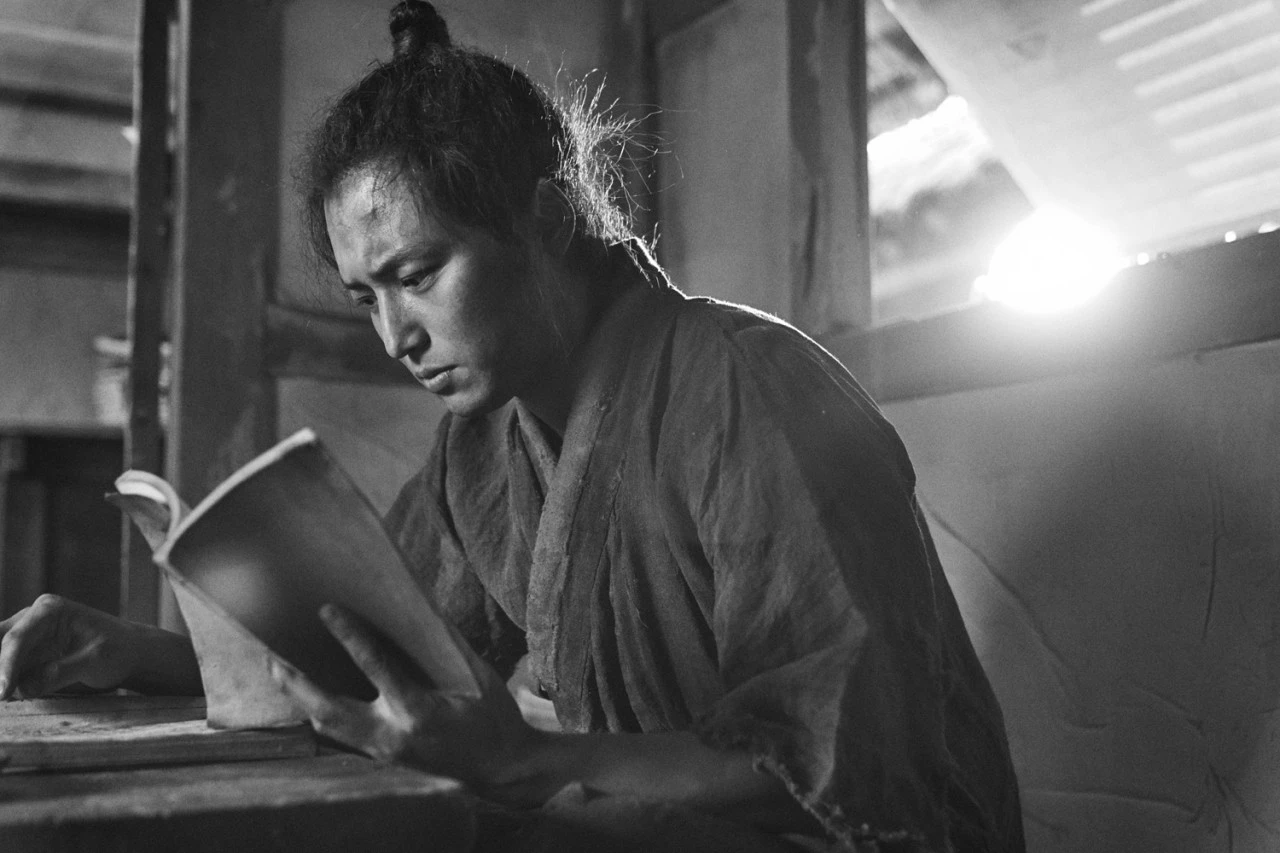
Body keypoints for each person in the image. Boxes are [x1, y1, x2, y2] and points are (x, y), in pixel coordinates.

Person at [0, 3, 1025, 851]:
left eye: (417, 274)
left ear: (545, 220)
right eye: (365, 297)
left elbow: (844, 764)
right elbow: (373, 665)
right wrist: (136, 652)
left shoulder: (750, 386)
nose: (395, 336)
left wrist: (531, 762)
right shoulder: (482, 448)